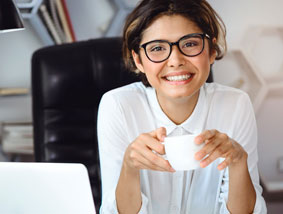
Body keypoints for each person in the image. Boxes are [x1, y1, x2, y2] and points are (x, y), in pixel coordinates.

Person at [97, 0, 267, 213]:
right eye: (157, 48)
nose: (175, 60)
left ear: (212, 50)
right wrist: (129, 168)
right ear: (138, 60)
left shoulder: (236, 104)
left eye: (190, 44)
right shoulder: (118, 106)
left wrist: (239, 161)